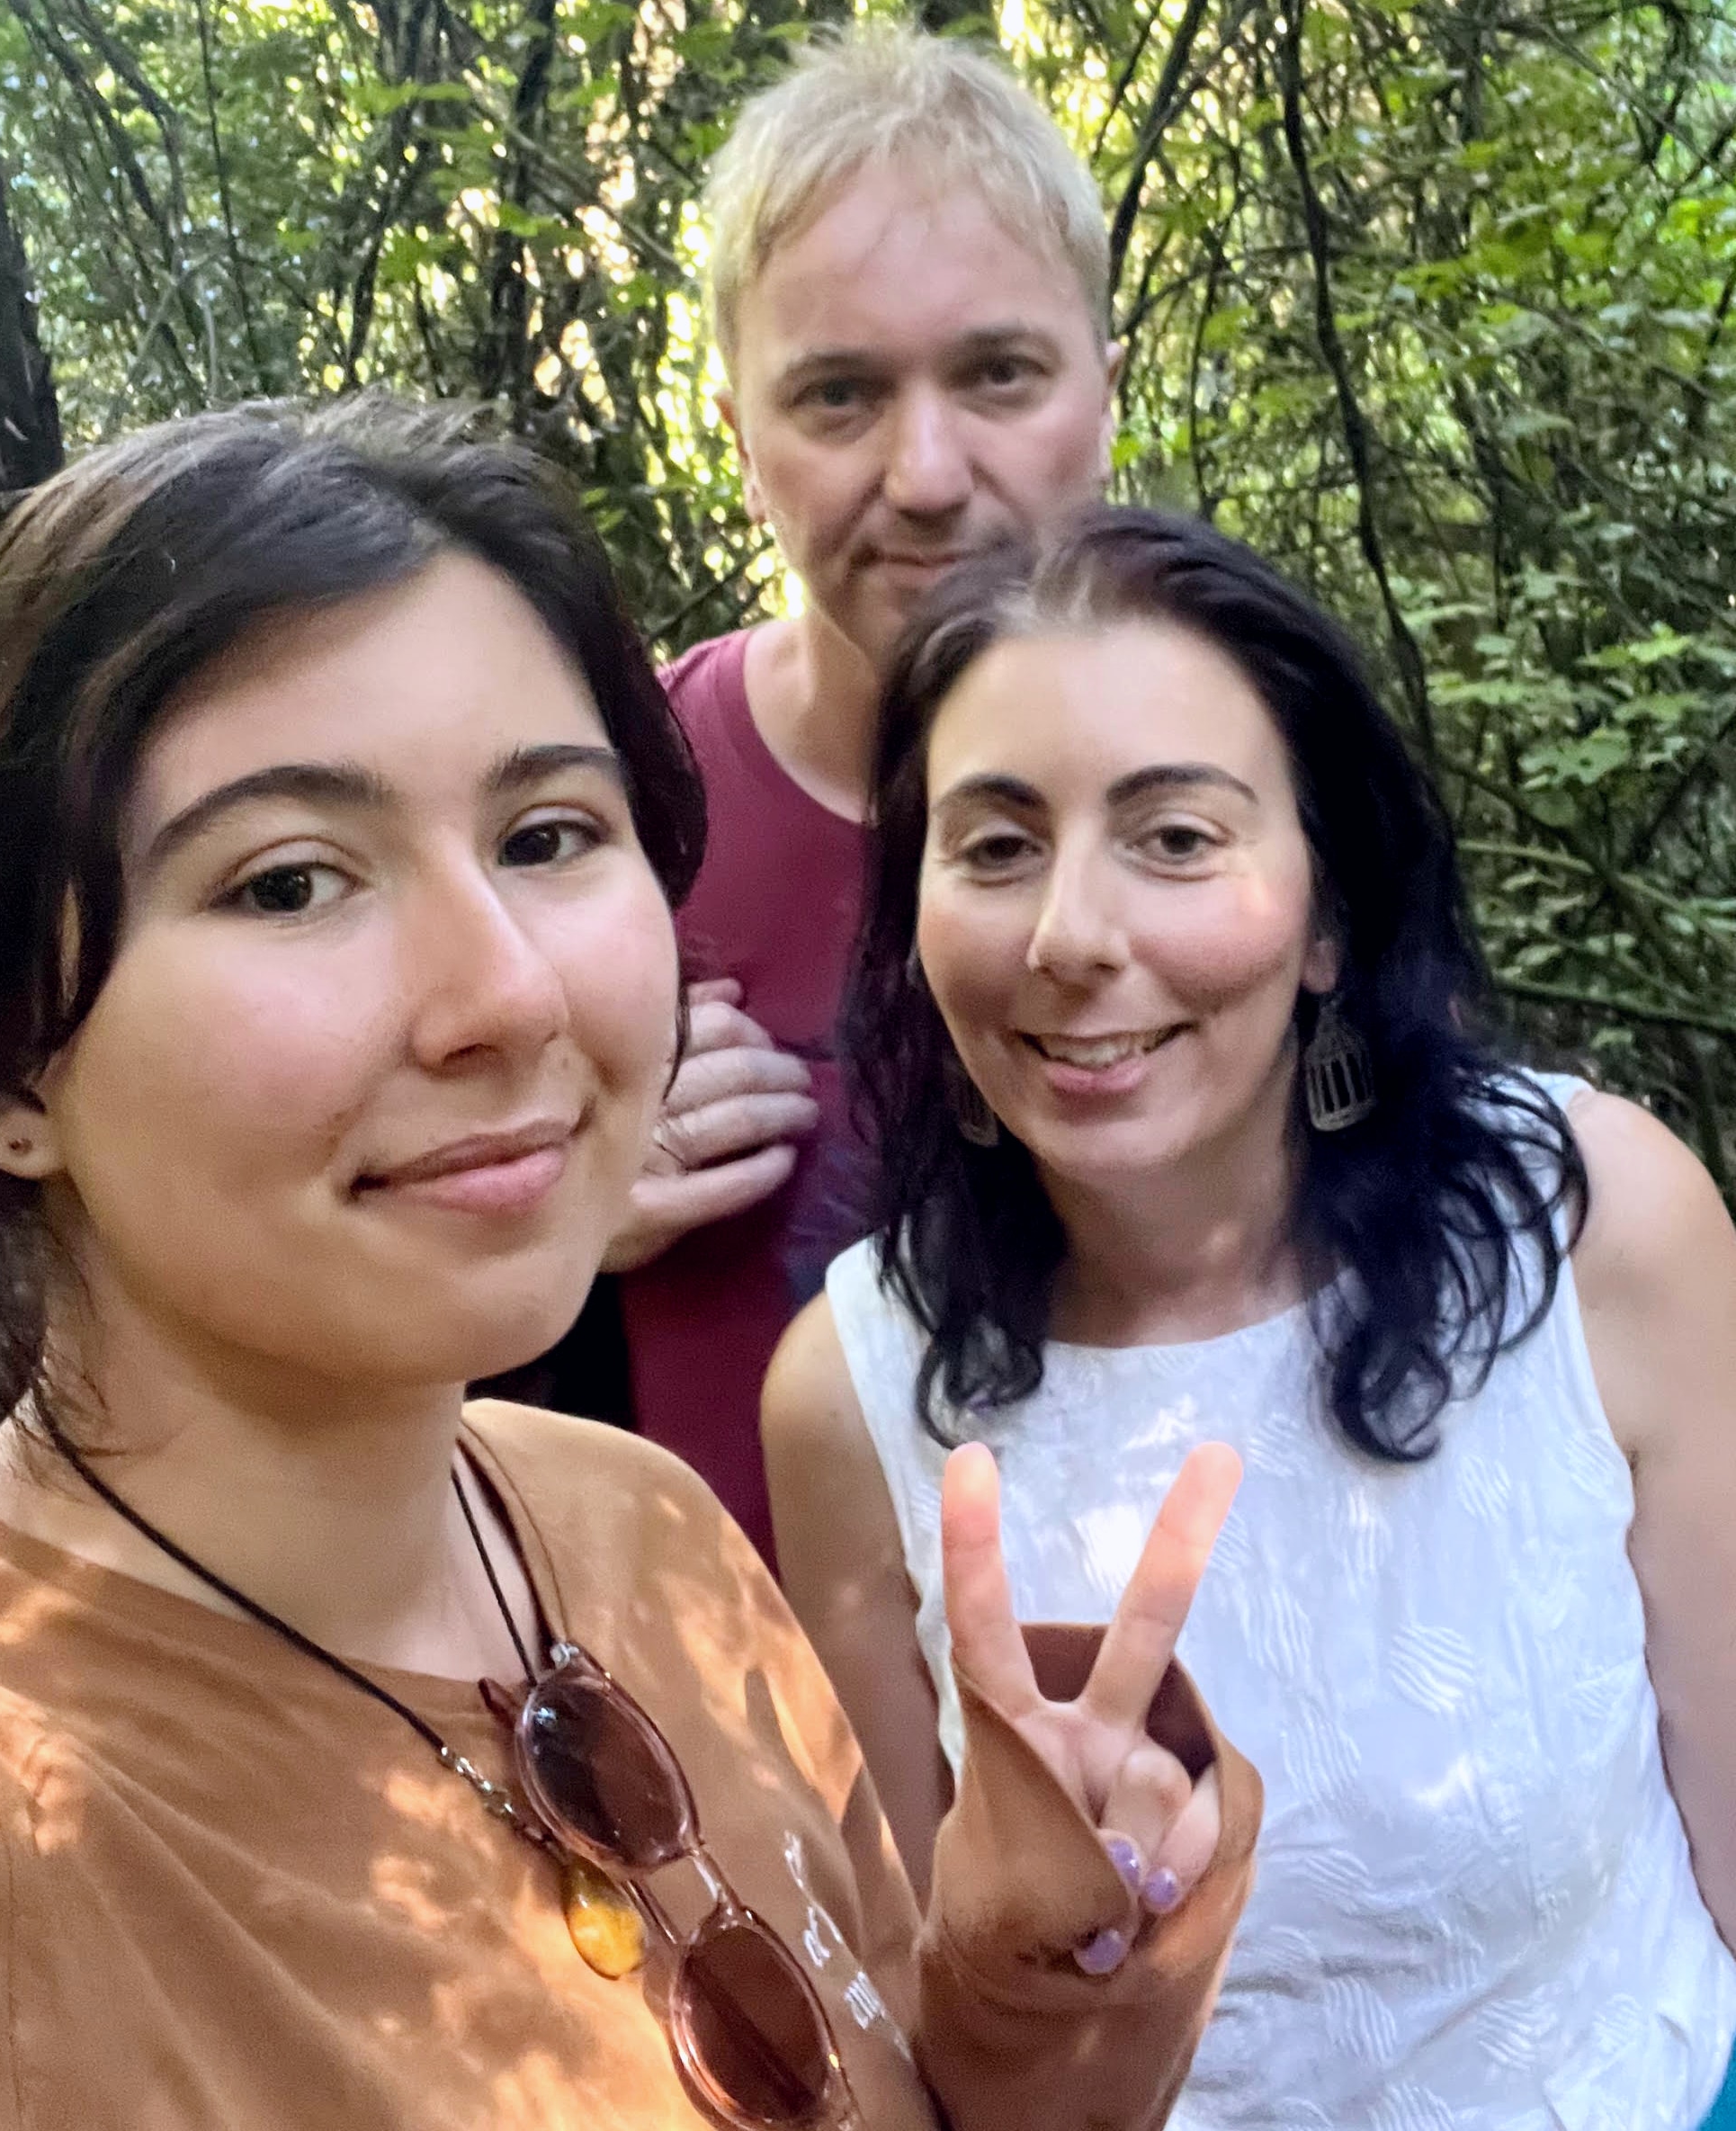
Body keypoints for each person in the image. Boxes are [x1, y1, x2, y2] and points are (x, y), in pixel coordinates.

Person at [0, 405, 1261, 2130]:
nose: (508, 994)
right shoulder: (1, 1839)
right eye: (288, 882)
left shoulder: (635, 1520)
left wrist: (1023, 1981)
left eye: (550, 835)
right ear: (7, 1063)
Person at [762, 507, 1736, 2126]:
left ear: (1328, 914)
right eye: (997, 845)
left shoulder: (1594, 1230)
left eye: (1177, 837)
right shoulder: (855, 1394)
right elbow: (922, 2042)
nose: (1074, 937)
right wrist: (1035, 1947)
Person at [581, 24, 1122, 1564]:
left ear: (1103, 386)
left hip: (1192, 1718)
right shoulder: (606, 814)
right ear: (745, 441)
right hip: (733, 1734)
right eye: (839, 398)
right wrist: (555, 1207)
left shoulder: (1270, 790)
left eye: (999, 373)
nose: (931, 470)